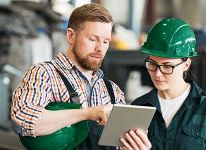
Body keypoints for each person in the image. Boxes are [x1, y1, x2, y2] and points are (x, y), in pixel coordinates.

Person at [11, 3, 150, 150]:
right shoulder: (44, 74)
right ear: (71, 35)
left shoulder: (112, 91)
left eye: (105, 41)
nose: (100, 48)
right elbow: (22, 123)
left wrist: (134, 145)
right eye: (92, 39)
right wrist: (87, 113)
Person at [130, 18, 206, 150]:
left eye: (167, 66)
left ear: (186, 64)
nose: (158, 74)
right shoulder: (138, 108)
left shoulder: (203, 108)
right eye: (153, 64)